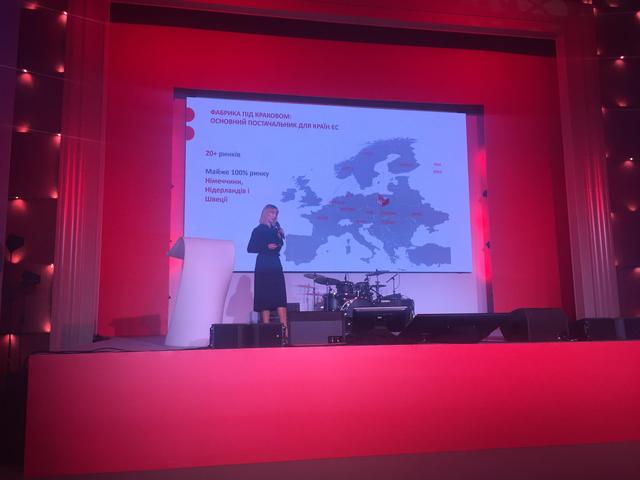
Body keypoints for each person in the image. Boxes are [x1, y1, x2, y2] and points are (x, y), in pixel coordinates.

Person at [247, 204, 288, 335]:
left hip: (275, 263)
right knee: (265, 296)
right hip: (263, 264)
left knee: (279, 296)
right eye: (271, 213)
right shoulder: (258, 230)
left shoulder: (276, 229)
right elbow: (250, 248)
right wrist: (266, 246)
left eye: (275, 213)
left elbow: (279, 245)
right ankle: (266, 330)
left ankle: (285, 330)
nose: (274, 216)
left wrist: (280, 236)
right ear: (265, 214)